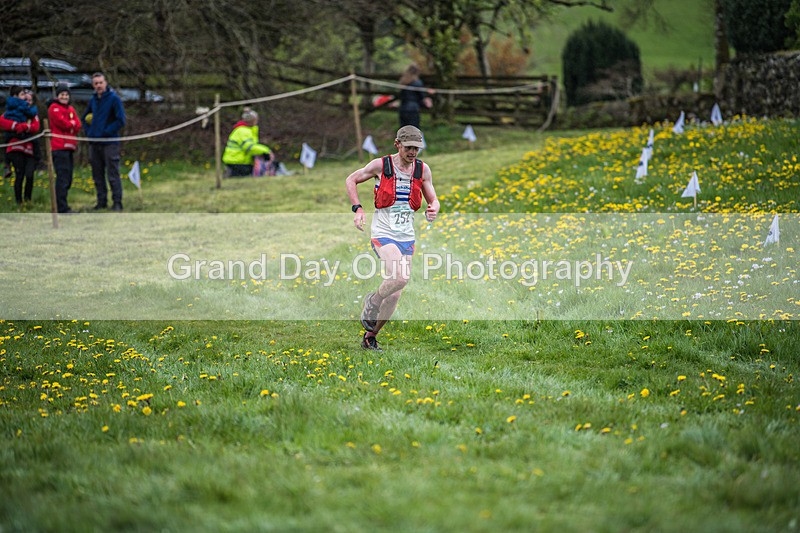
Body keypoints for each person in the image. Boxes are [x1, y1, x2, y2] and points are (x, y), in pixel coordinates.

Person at [345, 125, 440, 351]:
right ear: (397, 145)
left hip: (406, 236)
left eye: (417, 148)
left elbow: (433, 199)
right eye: (408, 148)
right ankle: (374, 301)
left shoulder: (422, 170)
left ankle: (370, 337)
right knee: (401, 277)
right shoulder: (382, 165)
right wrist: (358, 209)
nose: (413, 153)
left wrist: (433, 208)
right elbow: (352, 179)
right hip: (383, 233)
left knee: (396, 293)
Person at [83, 72, 126, 211]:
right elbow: (85, 118)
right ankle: (101, 201)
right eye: (96, 83)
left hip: (110, 143)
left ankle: (117, 202)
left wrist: (106, 132)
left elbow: (121, 120)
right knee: (97, 175)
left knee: (113, 174)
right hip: (94, 143)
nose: (99, 85)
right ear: (93, 85)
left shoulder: (114, 99)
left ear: (105, 83)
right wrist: (90, 132)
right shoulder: (93, 100)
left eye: (101, 82)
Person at [1, 88, 40, 205]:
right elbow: (2, 121)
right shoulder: (10, 110)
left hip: (29, 147)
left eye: (29, 99)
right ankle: (19, 202)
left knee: (29, 174)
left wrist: (25, 127)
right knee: (20, 174)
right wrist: (15, 126)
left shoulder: (31, 113)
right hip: (15, 146)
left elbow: (35, 126)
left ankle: (28, 200)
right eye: (24, 96)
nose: (27, 101)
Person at [47, 83, 82, 213]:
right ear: (57, 96)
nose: (64, 97)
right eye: (62, 94)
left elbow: (77, 125)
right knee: (62, 177)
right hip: (59, 147)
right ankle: (61, 207)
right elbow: (63, 124)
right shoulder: (54, 108)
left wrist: (71, 125)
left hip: (69, 147)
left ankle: (63, 204)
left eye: (66, 94)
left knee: (68, 178)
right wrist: (71, 125)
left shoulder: (71, 109)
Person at [222, 108, 273, 177]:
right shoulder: (243, 131)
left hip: (240, 160)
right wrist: (266, 150)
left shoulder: (248, 130)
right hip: (236, 161)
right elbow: (249, 147)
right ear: (252, 120)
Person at [398, 63, 433, 129]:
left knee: (403, 130)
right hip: (413, 109)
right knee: (414, 130)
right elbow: (421, 96)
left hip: (403, 108)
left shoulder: (403, 82)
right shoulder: (417, 82)